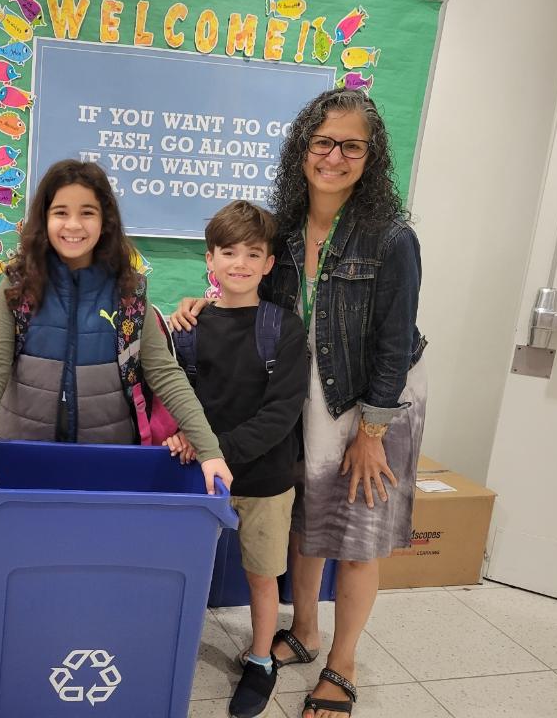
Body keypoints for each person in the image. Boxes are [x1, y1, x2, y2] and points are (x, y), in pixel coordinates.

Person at [173, 89, 427, 718]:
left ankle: (343, 664)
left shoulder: (392, 238)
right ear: (302, 148)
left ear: (371, 157)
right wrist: (203, 302)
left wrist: (373, 430)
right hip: (304, 394)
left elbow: (395, 343)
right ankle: (306, 632)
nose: (334, 156)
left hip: (373, 400)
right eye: (322, 142)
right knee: (307, 521)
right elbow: (254, 292)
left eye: (351, 145)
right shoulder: (283, 231)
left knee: (357, 532)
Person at [0, 158, 233, 502]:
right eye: (60, 212)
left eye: (87, 212)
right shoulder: (17, 287)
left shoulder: (129, 292)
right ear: (44, 219)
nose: (73, 224)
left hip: (105, 461)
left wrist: (210, 451)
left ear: (105, 221)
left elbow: (164, 372)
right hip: (21, 456)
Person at [165, 201, 307, 718]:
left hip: (264, 478)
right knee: (178, 567)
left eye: (253, 253)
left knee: (262, 576)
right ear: (210, 259)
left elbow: (280, 414)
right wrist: (187, 435)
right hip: (196, 475)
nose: (240, 263)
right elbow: (175, 391)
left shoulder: (284, 330)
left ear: (269, 263)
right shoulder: (188, 324)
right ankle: (166, 642)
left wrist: (213, 448)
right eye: (229, 252)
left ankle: (261, 658)